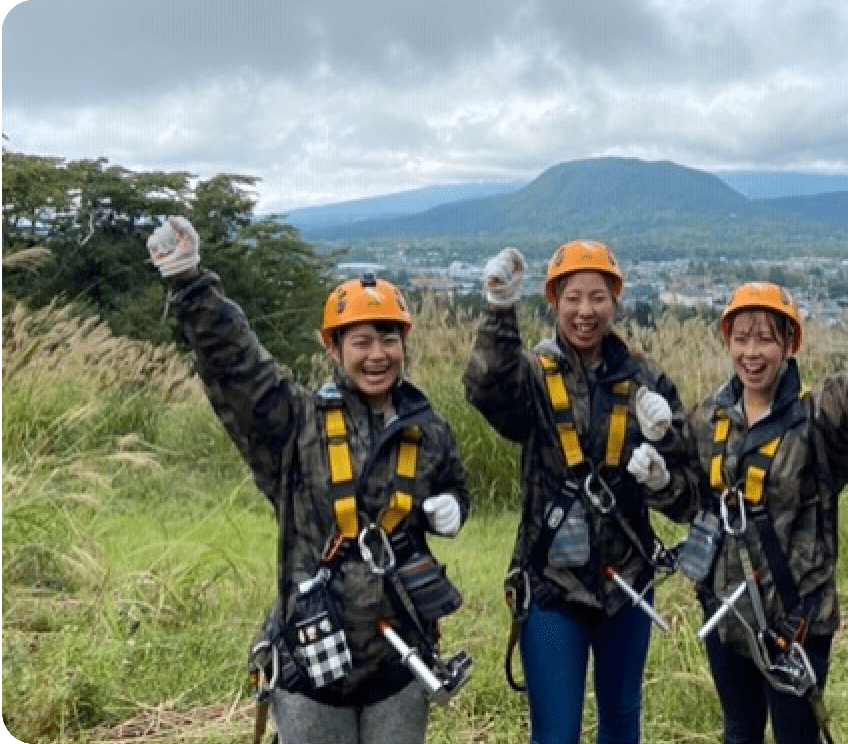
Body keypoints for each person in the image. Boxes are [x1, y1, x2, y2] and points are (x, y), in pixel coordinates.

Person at [143, 216, 473, 744]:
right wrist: (191, 283)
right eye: (360, 341)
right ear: (333, 346)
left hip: (398, 660)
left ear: (404, 343)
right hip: (312, 659)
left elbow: (456, 487)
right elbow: (239, 367)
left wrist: (454, 507)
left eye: (388, 338)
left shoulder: (428, 430)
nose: (376, 355)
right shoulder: (296, 427)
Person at [463, 239, 703, 744]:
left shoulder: (646, 380)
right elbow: (488, 388)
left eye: (598, 297)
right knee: (555, 733)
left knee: (621, 724)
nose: (585, 311)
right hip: (552, 583)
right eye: (572, 297)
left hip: (628, 581)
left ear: (615, 301)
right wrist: (499, 312)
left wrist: (661, 466)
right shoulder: (533, 374)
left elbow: (689, 496)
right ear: (554, 300)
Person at [685, 281, 848, 744]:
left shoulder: (813, 418)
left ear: (789, 344)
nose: (752, 353)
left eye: (765, 339)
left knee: (797, 735)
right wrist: (656, 473)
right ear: (728, 342)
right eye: (742, 338)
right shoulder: (709, 419)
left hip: (796, 618)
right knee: (740, 732)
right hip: (728, 611)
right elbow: (687, 497)